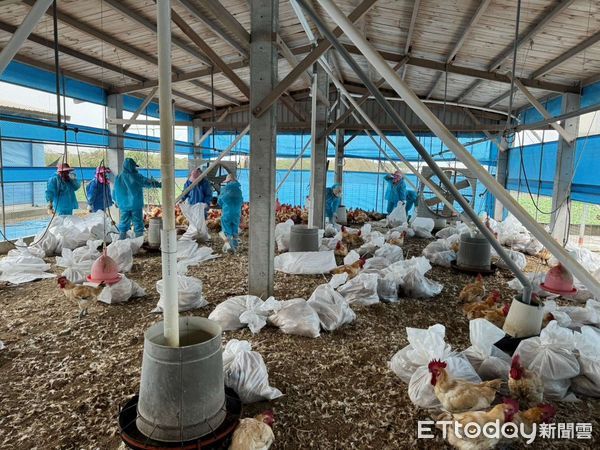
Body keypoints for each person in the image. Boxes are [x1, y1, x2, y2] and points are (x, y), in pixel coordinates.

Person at [113, 157, 161, 239]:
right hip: (135, 204)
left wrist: (116, 201)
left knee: (123, 222)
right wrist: (159, 184)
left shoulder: (118, 177)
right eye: (134, 166)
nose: (135, 168)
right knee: (138, 223)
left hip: (123, 205)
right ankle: (139, 241)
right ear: (132, 166)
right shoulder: (136, 176)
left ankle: (121, 239)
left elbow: (114, 190)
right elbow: (147, 182)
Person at [217, 173, 243, 253]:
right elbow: (241, 201)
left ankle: (229, 246)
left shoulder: (225, 189)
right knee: (235, 228)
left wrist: (222, 204)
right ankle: (235, 246)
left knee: (226, 228)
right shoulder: (239, 190)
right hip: (237, 213)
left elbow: (220, 201)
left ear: (229, 181)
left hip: (227, 211)